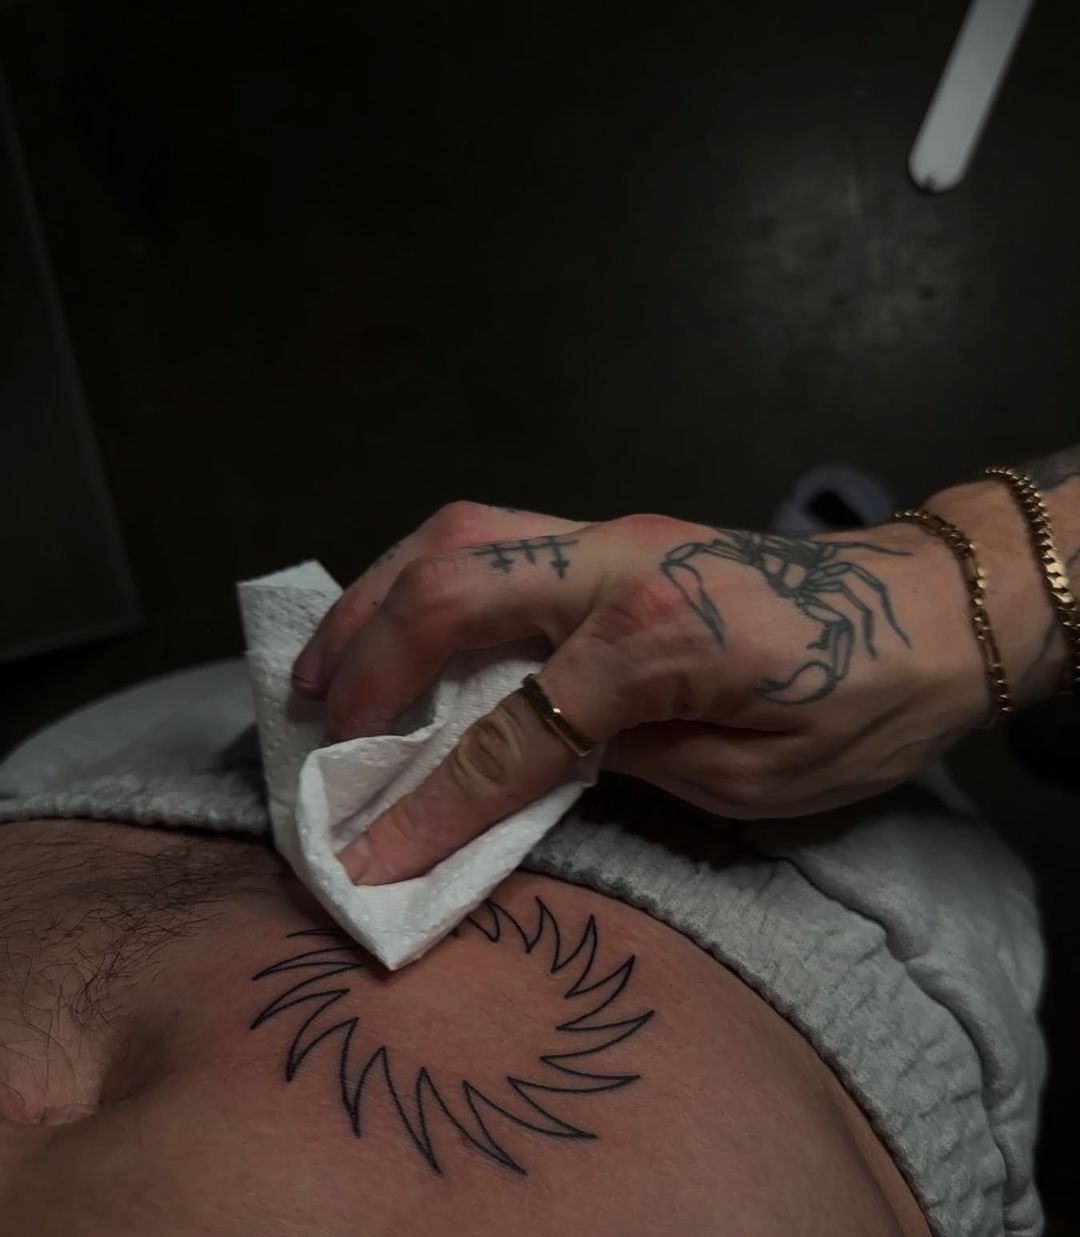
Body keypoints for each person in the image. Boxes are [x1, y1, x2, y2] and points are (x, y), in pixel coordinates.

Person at [1, 446, 1073, 1236]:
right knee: (786, 717)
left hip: (140, 784)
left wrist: (986, 578)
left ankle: (816, 585)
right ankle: (812, 574)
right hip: (781, 921)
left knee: (729, 678)